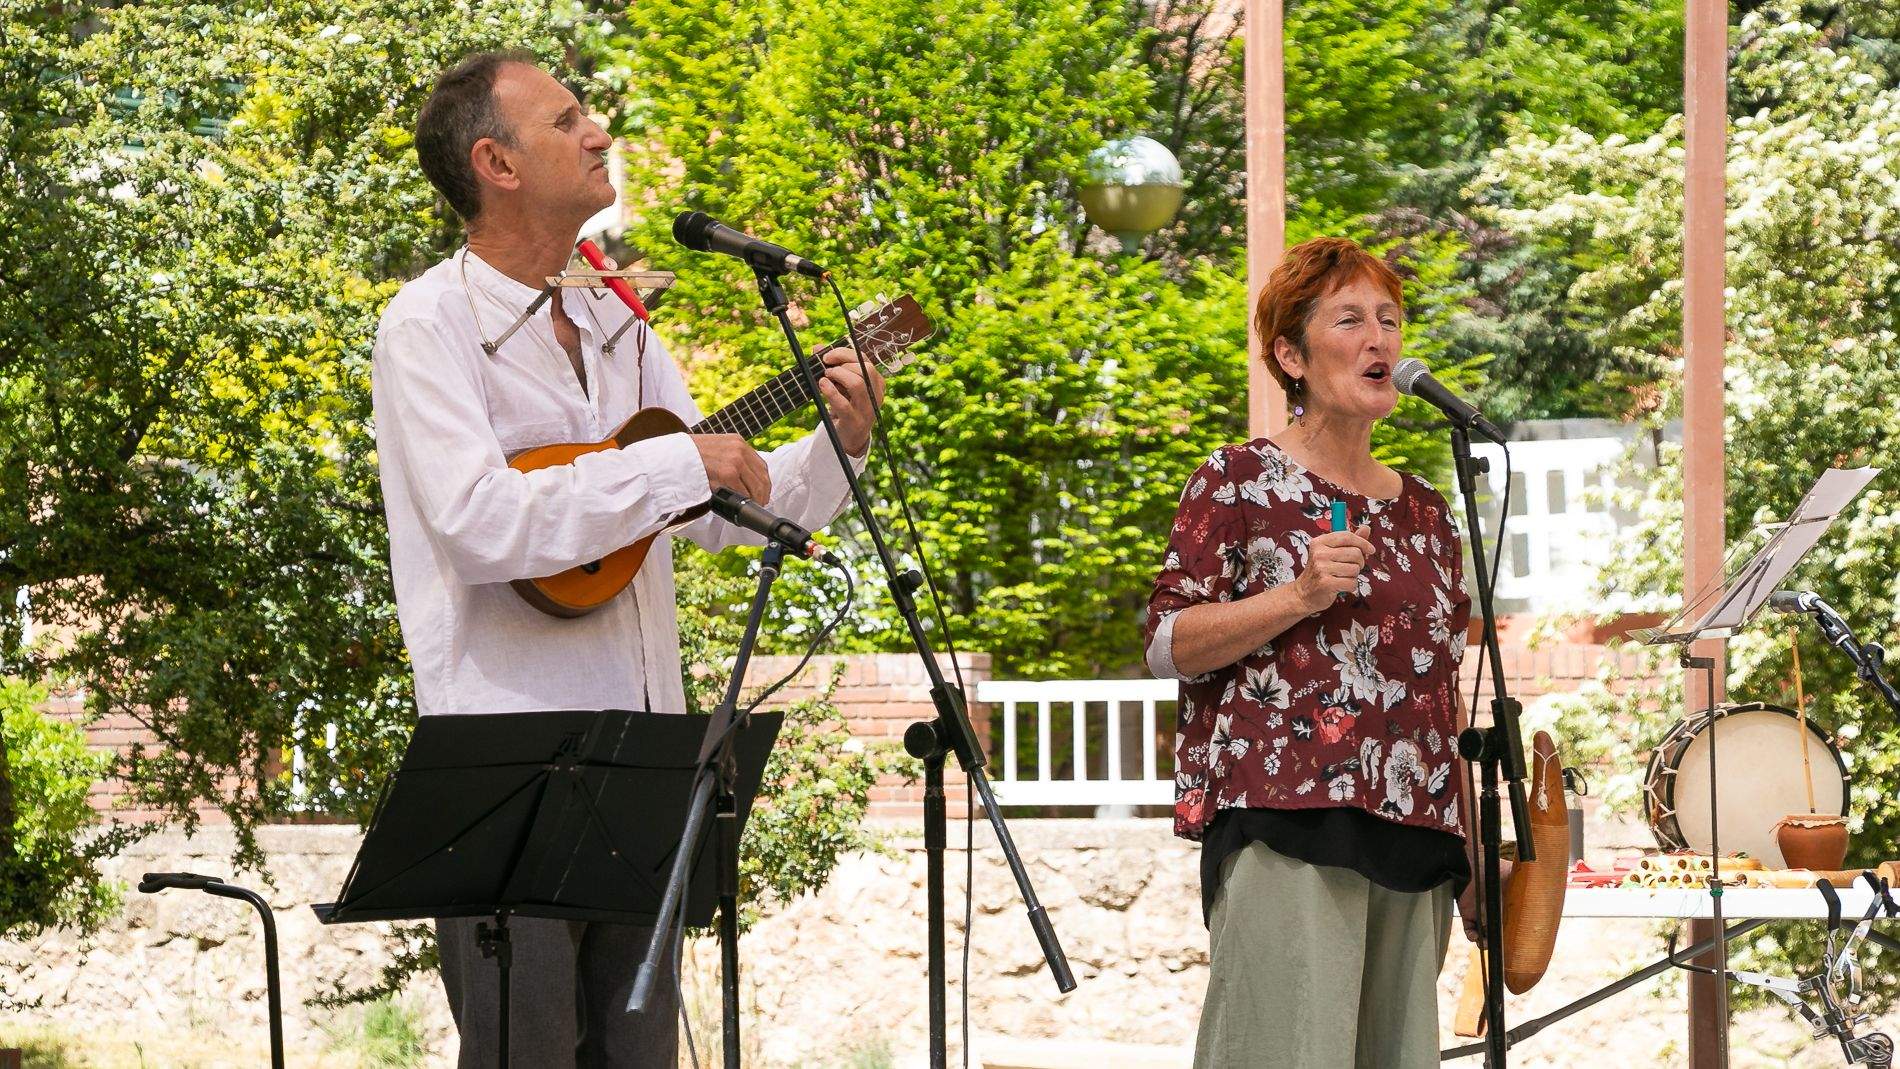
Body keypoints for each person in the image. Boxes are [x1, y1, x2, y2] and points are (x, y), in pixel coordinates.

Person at [374, 50, 883, 1067]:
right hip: (508, 771)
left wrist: (842, 442)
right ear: (496, 163)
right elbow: (481, 523)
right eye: (566, 122)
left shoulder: (615, 320)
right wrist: (665, 464)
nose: (599, 133)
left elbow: (718, 509)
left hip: (643, 766)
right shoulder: (429, 325)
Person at [1145, 236, 1487, 1068]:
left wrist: (1475, 856)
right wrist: (1296, 596)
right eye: (1350, 320)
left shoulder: (1431, 513)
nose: (1380, 339)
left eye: (1390, 319)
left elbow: (1443, 697)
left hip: (1416, 836)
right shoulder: (1235, 480)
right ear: (1290, 355)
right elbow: (1166, 645)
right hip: (1285, 822)